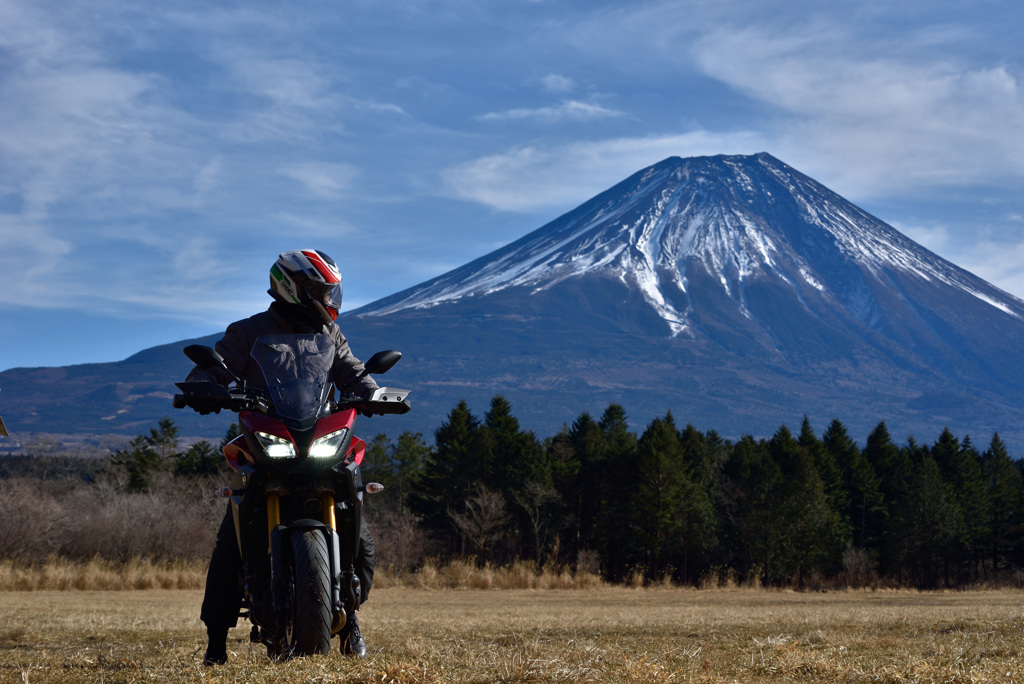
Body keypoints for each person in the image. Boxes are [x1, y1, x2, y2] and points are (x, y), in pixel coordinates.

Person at [185, 249, 378, 665]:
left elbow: (354, 373)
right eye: (320, 290)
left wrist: (373, 393)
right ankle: (216, 641)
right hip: (268, 436)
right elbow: (218, 366)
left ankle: (351, 615)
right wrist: (203, 384)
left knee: (357, 521)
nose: (329, 299)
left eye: (331, 291)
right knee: (230, 540)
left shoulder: (330, 335)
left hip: (319, 433)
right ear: (294, 287)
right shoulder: (249, 332)